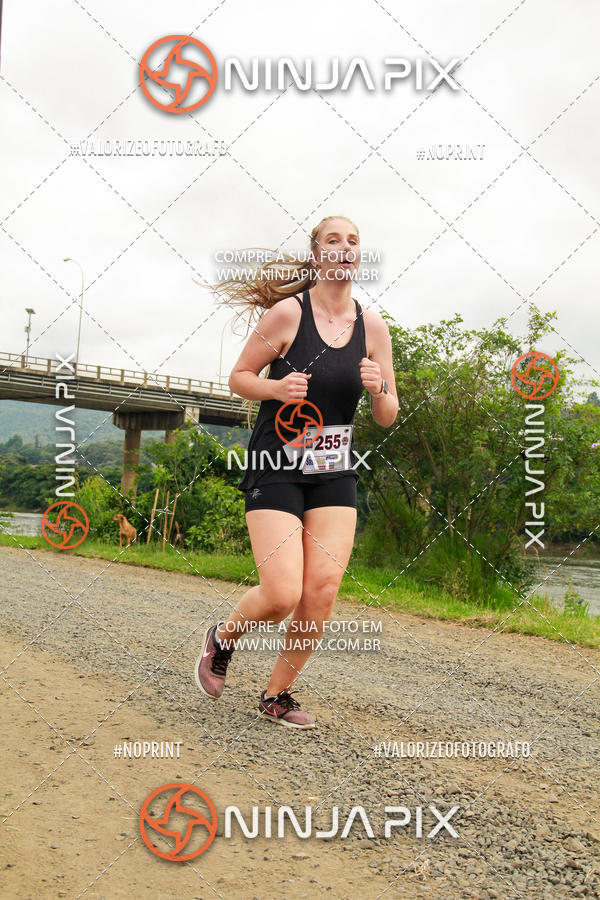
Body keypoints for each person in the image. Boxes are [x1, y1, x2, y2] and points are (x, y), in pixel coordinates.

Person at [195, 215, 398, 728]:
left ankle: (276, 696)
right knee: (283, 593)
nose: (345, 247)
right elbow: (239, 377)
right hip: (277, 460)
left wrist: (378, 389)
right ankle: (222, 638)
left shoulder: (373, 329)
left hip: (332, 464)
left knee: (321, 590)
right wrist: (277, 388)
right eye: (334, 240)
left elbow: (388, 413)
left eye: (354, 240)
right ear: (317, 256)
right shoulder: (288, 315)